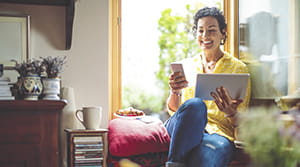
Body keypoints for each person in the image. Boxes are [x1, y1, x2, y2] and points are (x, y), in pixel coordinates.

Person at [164, 7, 251, 167]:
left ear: (223, 33)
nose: (205, 36)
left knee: (209, 154)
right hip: (183, 129)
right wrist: (174, 92)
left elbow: (241, 120)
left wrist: (230, 112)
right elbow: (174, 111)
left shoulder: (237, 68)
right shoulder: (186, 65)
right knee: (196, 105)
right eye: (201, 30)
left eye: (211, 30)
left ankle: (175, 163)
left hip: (216, 135)